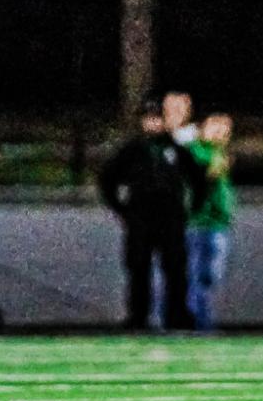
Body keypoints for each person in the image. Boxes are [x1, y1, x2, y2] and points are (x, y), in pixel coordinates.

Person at [99, 101, 205, 331]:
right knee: (139, 268)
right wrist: (122, 209)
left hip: (170, 218)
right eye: (149, 118)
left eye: (157, 118)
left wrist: (189, 210)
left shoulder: (176, 148)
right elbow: (108, 179)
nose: (154, 123)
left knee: (175, 268)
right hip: (140, 218)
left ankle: (176, 315)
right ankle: (138, 316)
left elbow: (198, 180)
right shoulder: (133, 150)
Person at [185, 112, 235, 331]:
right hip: (199, 223)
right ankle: (198, 322)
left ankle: (199, 319)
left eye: (225, 128)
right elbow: (203, 177)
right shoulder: (196, 151)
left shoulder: (218, 152)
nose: (220, 132)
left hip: (218, 223)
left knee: (210, 276)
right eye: (215, 126)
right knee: (196, 276)